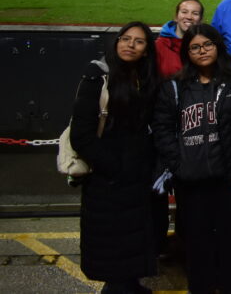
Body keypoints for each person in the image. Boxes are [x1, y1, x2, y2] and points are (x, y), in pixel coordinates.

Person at [153, 24, 231, 294]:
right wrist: (179, 166)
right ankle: (201, 286)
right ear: (187, 53)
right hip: (192, 179)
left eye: (208, 45)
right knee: (197, 239)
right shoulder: (175, 86)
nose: (202, 51)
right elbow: (163, 130)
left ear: (217, 46)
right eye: (195, 47)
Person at [71, 21, 161, 293]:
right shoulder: (97, 75)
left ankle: (129, 284)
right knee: (112, 239)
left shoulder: (144, 77)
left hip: (137, 176)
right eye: (125, 38)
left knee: (132, 238)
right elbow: (81, 135)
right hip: (109, 179)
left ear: (146, 50)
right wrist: (114, 168)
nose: (130, 45)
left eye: (138, 41)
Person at [155, 0, 205, 79]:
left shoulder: (206, 47)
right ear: (176, 16)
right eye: (184, 12)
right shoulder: (159, 45)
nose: (189, 17)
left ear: (200, 19)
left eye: (195, 13)